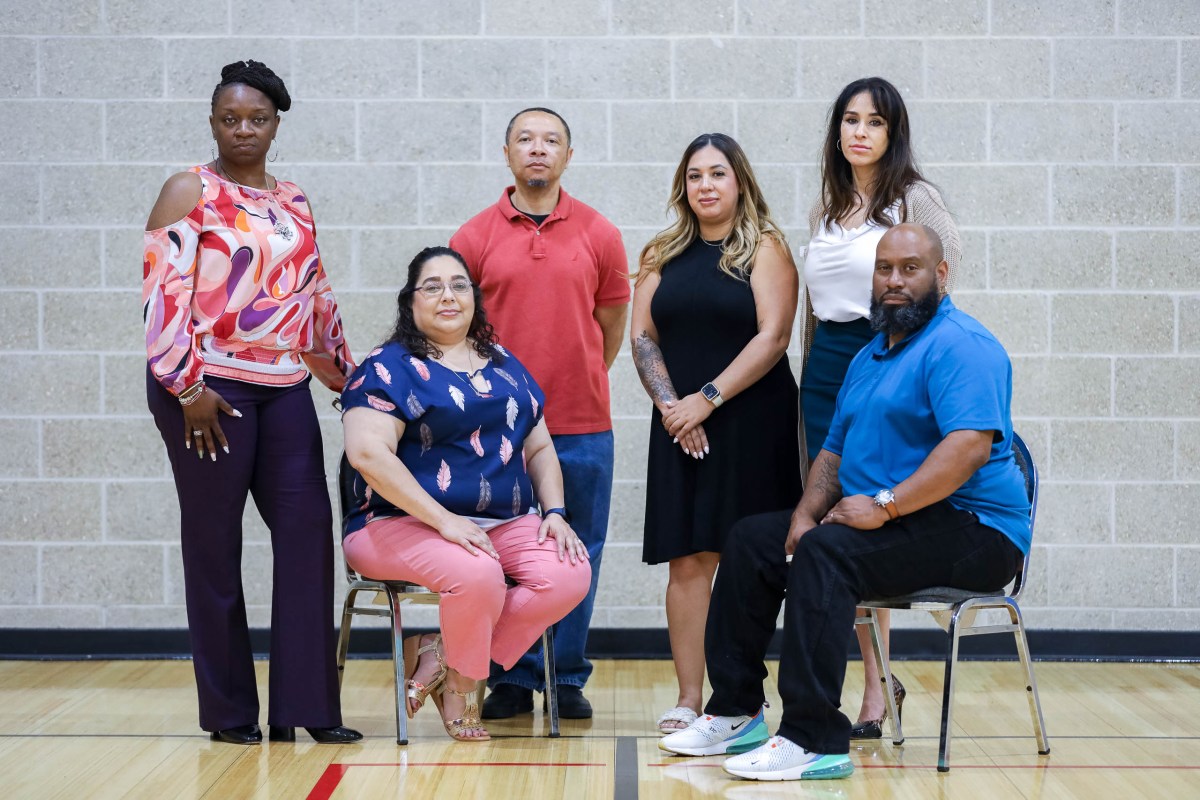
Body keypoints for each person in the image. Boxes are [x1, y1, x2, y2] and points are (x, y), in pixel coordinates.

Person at [659, 223, 1029, 781]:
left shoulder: (964, 346)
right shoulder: (871, 356)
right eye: (885, 270)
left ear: (941, 275)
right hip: (900, 516)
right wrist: (803, 516)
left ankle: (812, 739)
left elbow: (968, 450)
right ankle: (736, 710)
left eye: (911, 268)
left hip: (977, 530)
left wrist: (883, 506)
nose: (895, 281)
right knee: (754, 539)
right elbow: (832, 454)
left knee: (829, 552)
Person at [143, 60, 360, 745]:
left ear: (275, 124)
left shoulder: (293, 199)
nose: (243, 130)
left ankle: (307, 708)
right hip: (205, 392)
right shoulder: (189, 189)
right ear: (213, 123)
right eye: (229, 119)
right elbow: (162, 296)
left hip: (283, 386)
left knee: (306, 541)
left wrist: (350, 377)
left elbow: (314, 296)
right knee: (215, 546)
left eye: (256, 119)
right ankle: (231, 713)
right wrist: (186, 388)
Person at [340, 246, 591, 742]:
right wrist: (443, 521)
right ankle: (462, 688)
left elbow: (539, 447)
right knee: (479, 574)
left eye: (458, 285)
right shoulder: (385, 367)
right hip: (394, 523)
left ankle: (443, 655)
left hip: (502, 521)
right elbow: (368, 456)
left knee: (569, 574)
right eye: (431, 286)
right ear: (409, 301)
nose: (447, 295)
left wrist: (556, 511)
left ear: (474, 298)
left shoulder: (503, 364)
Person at [449, 107, 629, 720]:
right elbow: (455, 331)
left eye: (552, 140)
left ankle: (568, 675)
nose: (538, 149)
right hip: (495, 432)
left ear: (567, 157)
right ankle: (514, 678)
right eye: (525, 139)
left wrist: (574, 375)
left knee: (581, 550)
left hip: (582, 423)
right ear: (507, 153)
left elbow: (609, 326)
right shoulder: (472, 237)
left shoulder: (600, 233)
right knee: (504, 553)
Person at [801, 76, 962, 738]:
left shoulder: (915, 199)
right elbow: (816, 310)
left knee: (868, 518)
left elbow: (944, 287)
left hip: (887, 360)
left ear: (893, 133)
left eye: (874, 121)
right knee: (828, 519)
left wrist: (912, 372)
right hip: (826, 369)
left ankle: (875, 687)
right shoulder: (824, 210)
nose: (859, 131)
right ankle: (856, 678)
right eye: (849, 120)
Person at [631, 133, 800, 734]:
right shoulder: (660, 253)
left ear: (739, 182)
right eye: (695, 175)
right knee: (688, 560)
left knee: (748, 559)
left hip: (751, 421)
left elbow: (773, 337)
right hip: (679, 425)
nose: (706, 184)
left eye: (718, 174)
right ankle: (688, 697)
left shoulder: (766, 248)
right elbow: (643, 337)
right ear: (684, 186)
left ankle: (740, 701)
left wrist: (706, 400)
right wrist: (673, 408)